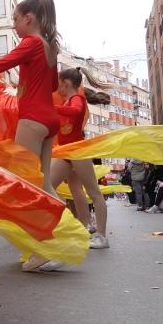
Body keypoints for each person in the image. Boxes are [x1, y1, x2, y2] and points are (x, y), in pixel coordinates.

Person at [0, 0, 60, 197]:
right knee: (43, 183)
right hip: (49, 119)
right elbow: (52, 86)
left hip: (32, 119)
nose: (13, 25)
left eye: (15, 19)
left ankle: (48, 228)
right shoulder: (48, 46)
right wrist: (28, 82)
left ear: (29, 19)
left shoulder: (31, 42)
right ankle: (69, 228)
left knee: (26, 182)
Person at [48, 68, 110, 249]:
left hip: (78, 152)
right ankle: (81, 226)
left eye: (59, 83)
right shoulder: (68, 100)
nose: (57, 87)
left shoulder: (77, 99)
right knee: (49, 186)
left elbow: (75, 112)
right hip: (67, 152)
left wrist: (52, 107)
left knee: (94, 192)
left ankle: (102, 236)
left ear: (65, 83)